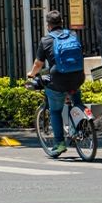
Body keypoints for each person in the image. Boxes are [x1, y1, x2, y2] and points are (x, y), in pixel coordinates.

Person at [27, 10, 86, 157]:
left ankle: (59, 144)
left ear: (48, 25)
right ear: (61, 22)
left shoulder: (46, 40)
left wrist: (31, 74)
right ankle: (80, 127)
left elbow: (38, 64)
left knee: (55, 111)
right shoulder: (72, 35)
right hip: (78, 76)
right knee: (76, 100)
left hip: (58, 79)